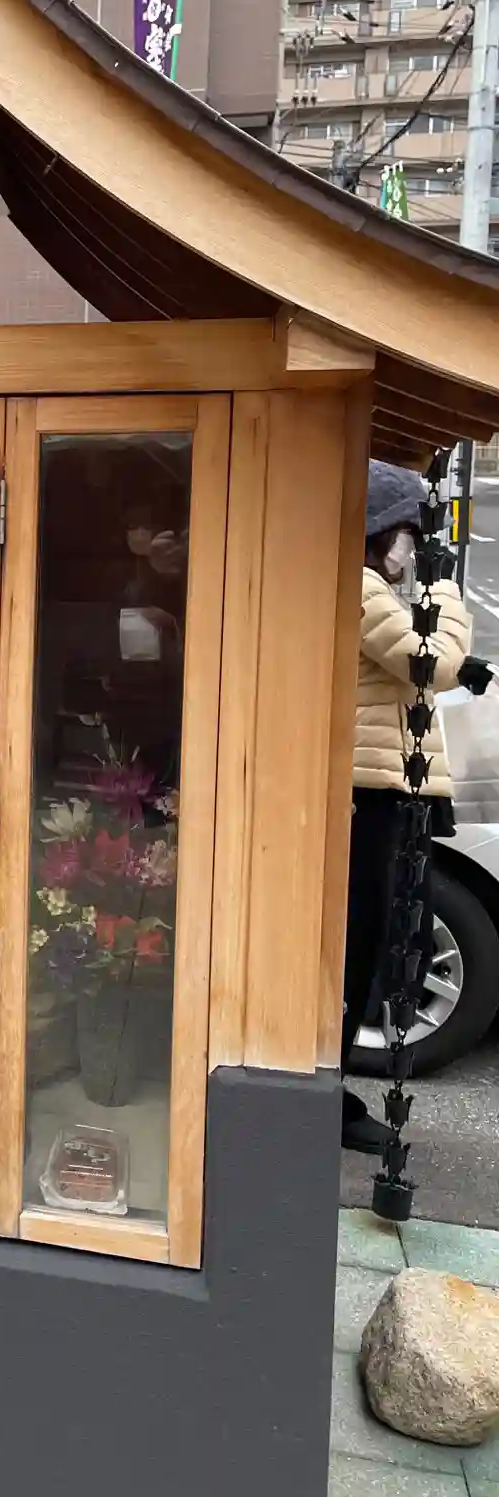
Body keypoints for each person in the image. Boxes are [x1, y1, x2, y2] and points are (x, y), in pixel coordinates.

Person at [342, 461, 472, 1154]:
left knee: (373, 943)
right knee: (364, 943)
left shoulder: (369, 589)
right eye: (406, 534)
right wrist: (448, 595)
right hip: (373, 789)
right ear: (379, 531)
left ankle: (333, 1090)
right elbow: (427, 663)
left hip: (385, 783)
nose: (411, 549)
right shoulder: (361, 587)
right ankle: (330, 1095)